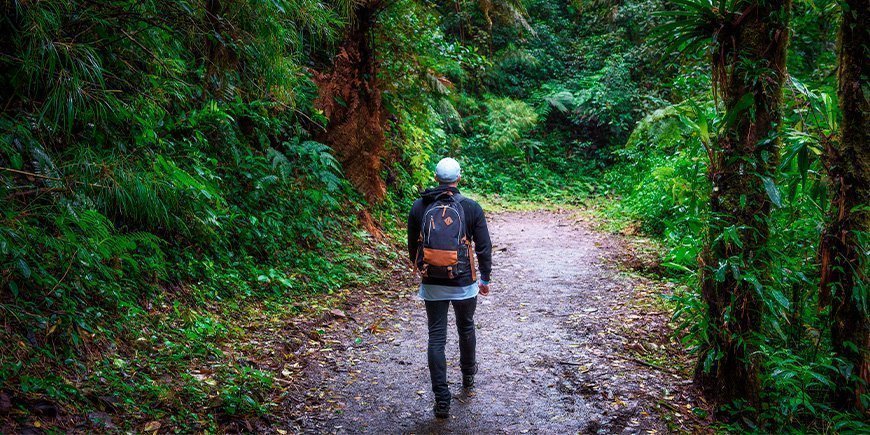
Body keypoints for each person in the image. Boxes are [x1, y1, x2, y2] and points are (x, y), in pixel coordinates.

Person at [407, 157, 492, 419]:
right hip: (464, 282)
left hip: (432, 283)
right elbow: (484, 247)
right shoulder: (470, 207)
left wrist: (424, 268)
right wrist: (485, 279)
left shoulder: (420, 206)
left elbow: (413, 245)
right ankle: (468, 377)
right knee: (465, 326)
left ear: (435, 178)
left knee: (436, 336)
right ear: (459, 178)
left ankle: (442, 399)